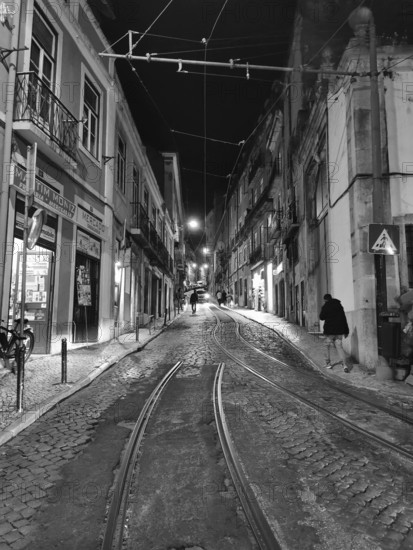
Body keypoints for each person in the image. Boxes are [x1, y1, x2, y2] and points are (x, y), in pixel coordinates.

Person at [319, 293, 350, 372]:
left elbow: (321, 317)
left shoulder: (326, 306)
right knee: (339, 347)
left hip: (330, 332)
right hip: (340, 330)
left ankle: (328, 364)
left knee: (326, 346)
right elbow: (344, 318)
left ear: (325, 300)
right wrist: (346, 331)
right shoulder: (339, 305)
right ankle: (345, 365)